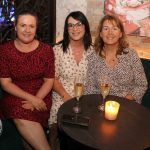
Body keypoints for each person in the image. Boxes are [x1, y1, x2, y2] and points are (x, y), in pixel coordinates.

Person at [0, 10, 54, 150]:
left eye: (32, 26)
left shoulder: (46, 50)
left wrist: (37, 99)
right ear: (15, 26)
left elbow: (49, 80)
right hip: (15, 94)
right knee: (20, 113)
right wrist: (32, 99)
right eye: (23, 25)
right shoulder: (4, 50)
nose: (27, 30)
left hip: (41, 94)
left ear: (36, 28)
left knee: (27, 126)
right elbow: (5, 83)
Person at [48, 11, 93, 150]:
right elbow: (53, 78)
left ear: (85, 27)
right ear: (66, 29)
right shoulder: (57, 50)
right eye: (70, 25)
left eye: (79, 24)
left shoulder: (93, 51)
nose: (75, 29)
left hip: (85, 96)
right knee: (56, 116)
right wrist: (66, 96)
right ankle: (52, 144)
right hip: (62, 94)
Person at [85, 15, 147, 104]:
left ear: (120, 34)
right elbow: (89, 88)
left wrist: (123, 101)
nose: (110, 32)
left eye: (114, 28)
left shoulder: (131, 55)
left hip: (127, 106)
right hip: (100, 106)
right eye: (106, 29)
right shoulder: (93, 57)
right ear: (101, 34)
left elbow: (142, 85)